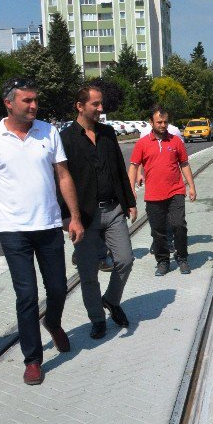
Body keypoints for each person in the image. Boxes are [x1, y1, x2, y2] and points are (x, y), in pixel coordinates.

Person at [0, 77, 84, 386]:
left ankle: (53, 321)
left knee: (59, 288)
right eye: (27, 100)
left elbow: (63, 176)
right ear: (9, 103)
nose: (34, 105)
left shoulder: (49, 132)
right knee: (26, 295)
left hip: (48, 225)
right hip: (13, 230)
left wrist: (74, 216)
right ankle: (33, 359)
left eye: (36, 100)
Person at [60, 85, 137, 340]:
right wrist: (69, 218)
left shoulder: (107, 133)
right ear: (80, 106)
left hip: (113, 209)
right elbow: (60, 179)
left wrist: (129, 201)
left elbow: (118, 167)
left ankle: (112, 300)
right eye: (95, 104)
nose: (101, 109)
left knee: (125, 259)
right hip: (84, 216)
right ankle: (97, 318)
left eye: (101, 103)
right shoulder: (66, 139)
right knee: (88, 271)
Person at [129, 107, 197, 276]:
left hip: (175, 191)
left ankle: (182, 258)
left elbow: (184, 164)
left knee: (178, 225)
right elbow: (134, 166)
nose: (163, 125)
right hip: (153, 195)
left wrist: (191, 186)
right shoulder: (142, 143)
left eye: (165, 122)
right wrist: (131, 190)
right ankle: (163, 261)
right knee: (157, 231)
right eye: (159, 122)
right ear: (151, 122)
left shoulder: (176, 141)